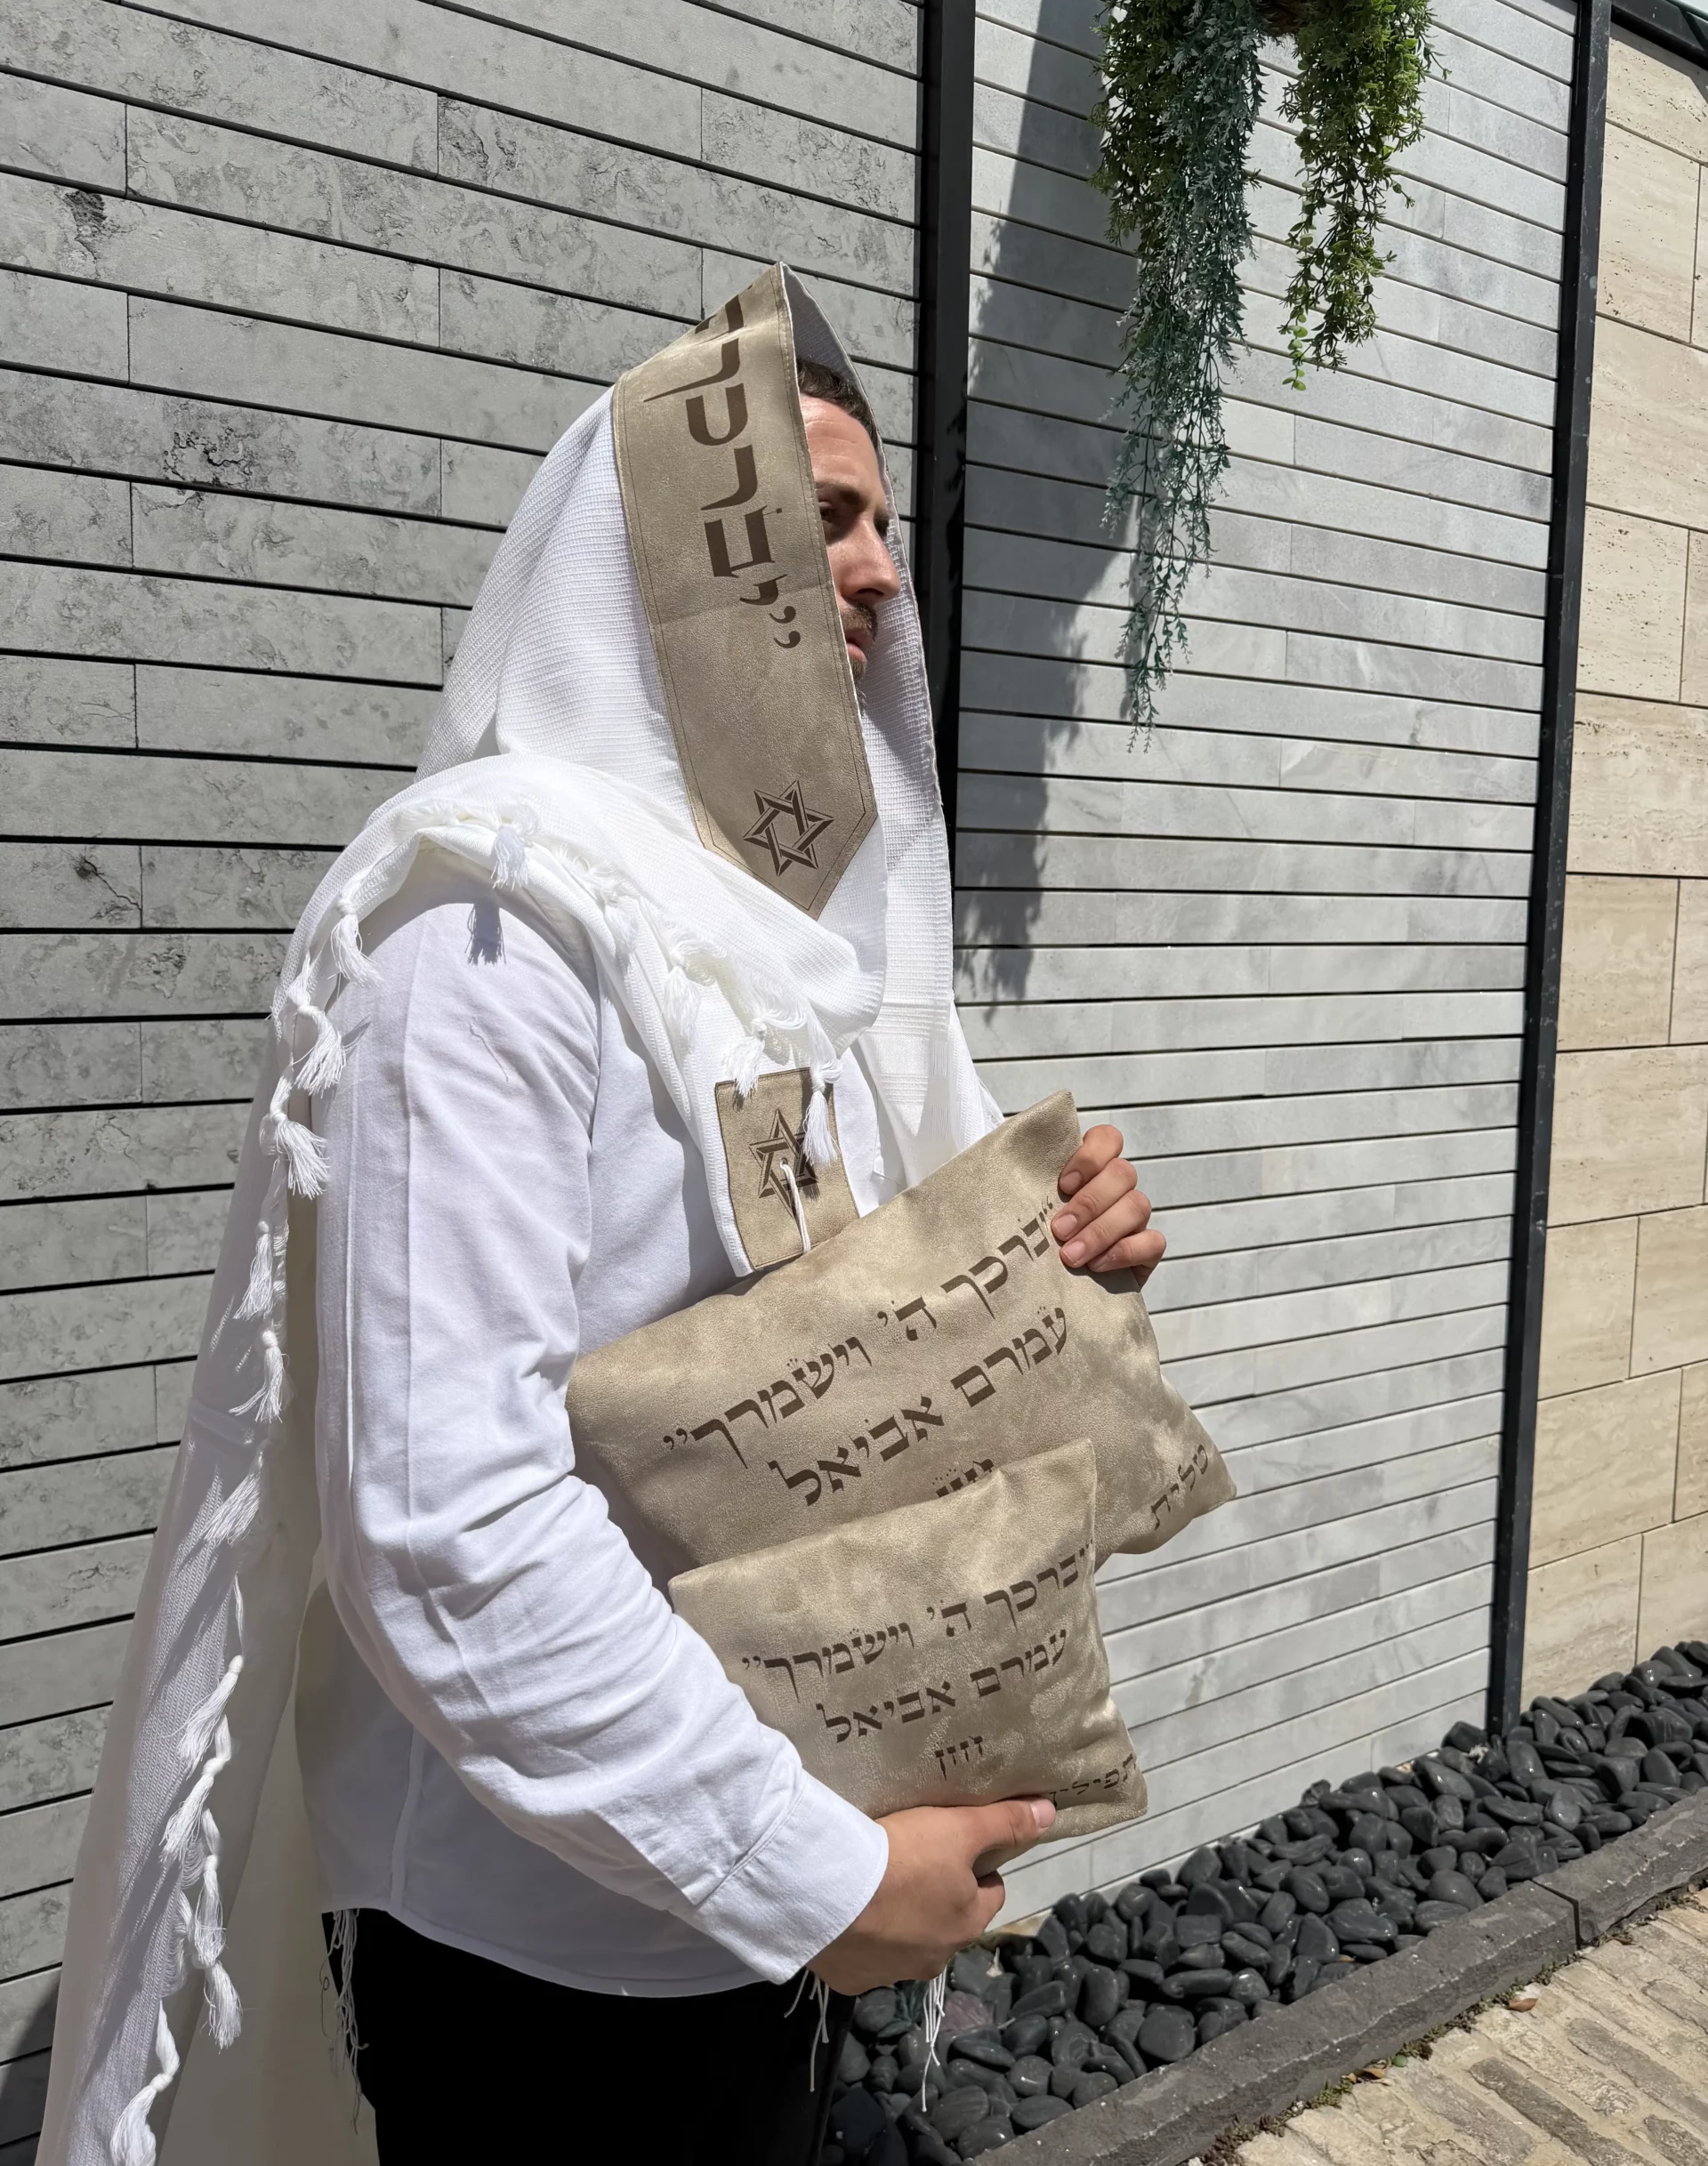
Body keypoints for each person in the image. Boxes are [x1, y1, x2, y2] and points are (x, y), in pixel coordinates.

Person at [39, 270, 1164, 2166]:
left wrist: (1051, 1253)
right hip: (537, 1950)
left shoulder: (775, 938)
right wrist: (812, 1872)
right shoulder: (480, 947)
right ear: (676, 551)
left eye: (884, 523)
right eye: (826, 517)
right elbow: (450, 1527)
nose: (882, 572)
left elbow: (850, 1325)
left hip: (765, 1895)